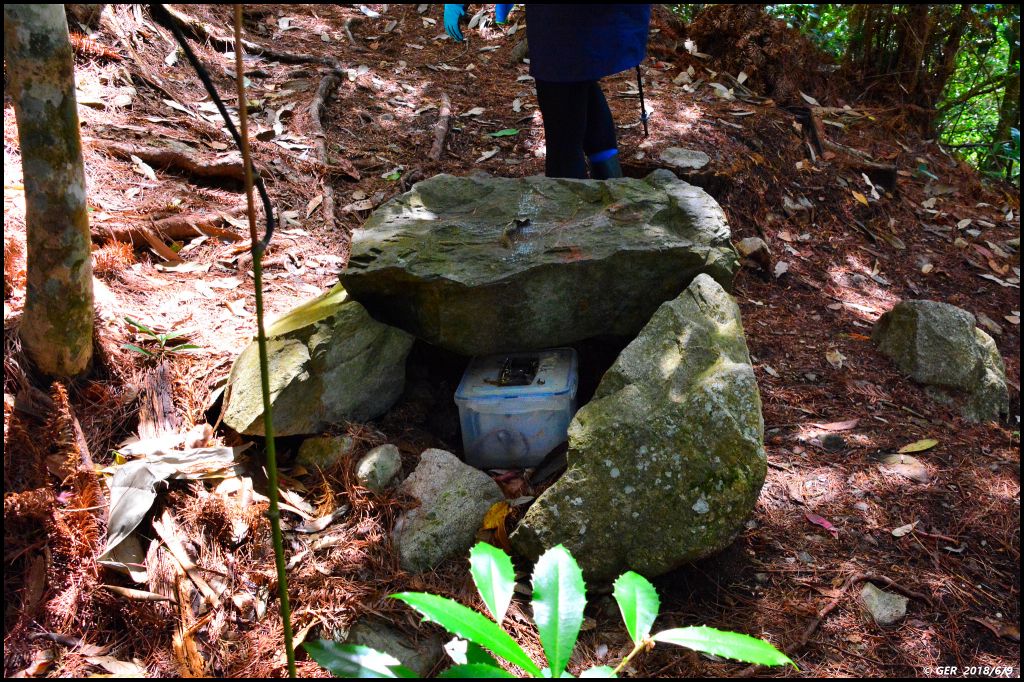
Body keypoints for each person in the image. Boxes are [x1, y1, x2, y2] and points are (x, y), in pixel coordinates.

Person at [443, 4, 652, 180]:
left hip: (562, 22)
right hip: (597, 19)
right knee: (579, 84)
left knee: (562, 116)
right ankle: (614, 189)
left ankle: (569, 213)